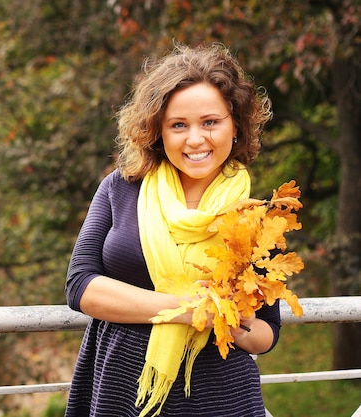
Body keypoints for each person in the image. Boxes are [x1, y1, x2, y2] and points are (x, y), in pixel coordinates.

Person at [64, 43, 278, 417]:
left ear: (236, 125)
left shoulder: (255, 215)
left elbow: (267, 333)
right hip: (121, 388)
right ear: (157, 131)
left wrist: (238, 324)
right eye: (179, 125)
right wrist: (184, 308)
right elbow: (80, 285)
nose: (195, 139)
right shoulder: (121, 188)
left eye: (210, 122)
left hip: (221, 398)